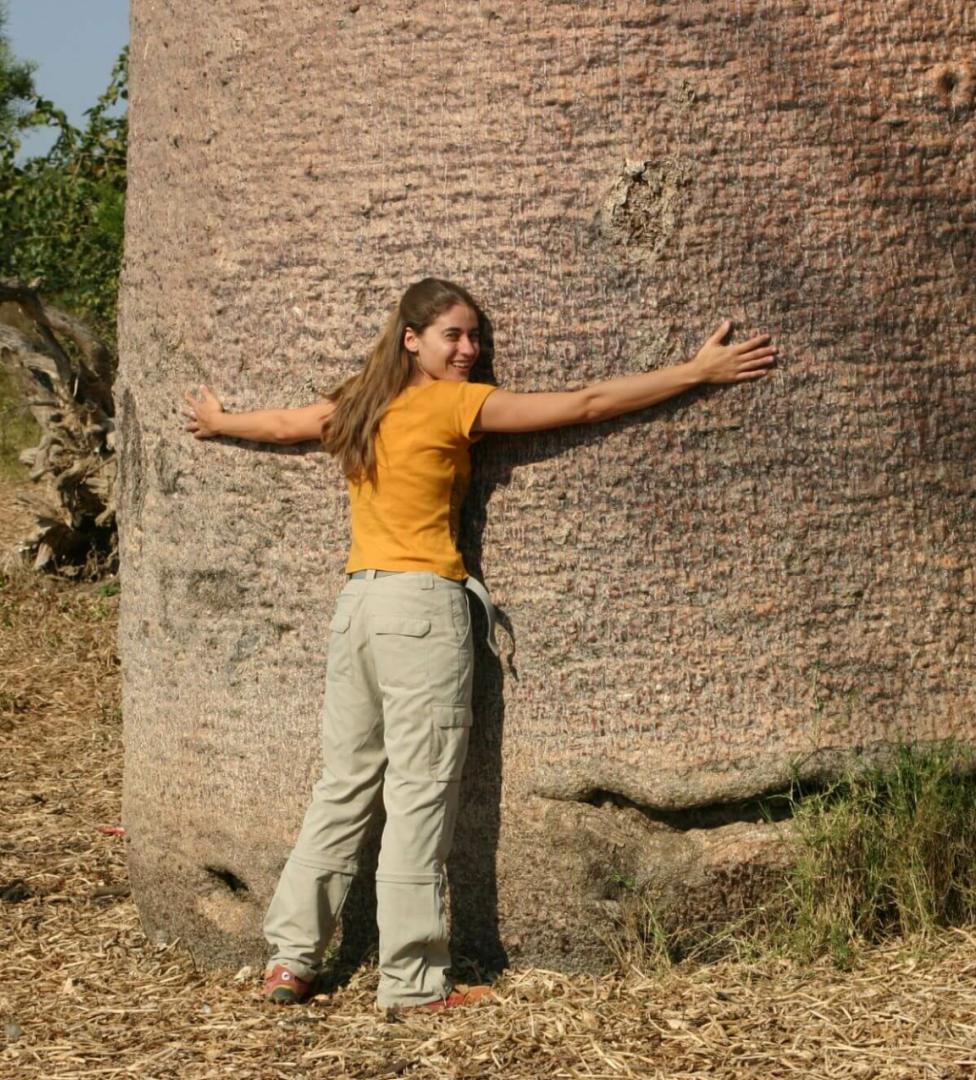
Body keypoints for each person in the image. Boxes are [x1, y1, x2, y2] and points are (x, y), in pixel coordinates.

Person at [181, 277, 775, 1013]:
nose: (469, 350)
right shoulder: (455, 404)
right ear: (411, 340)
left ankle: (291, 959)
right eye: (453, 336)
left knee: (343, 786)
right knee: (419, 793)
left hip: (357, 608)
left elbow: (282, 426)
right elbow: (587, 403)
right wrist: (695, 371)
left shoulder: (358, 405)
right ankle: (410, 982)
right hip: (419, 608)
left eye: (475, 337)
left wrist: (219, 421)